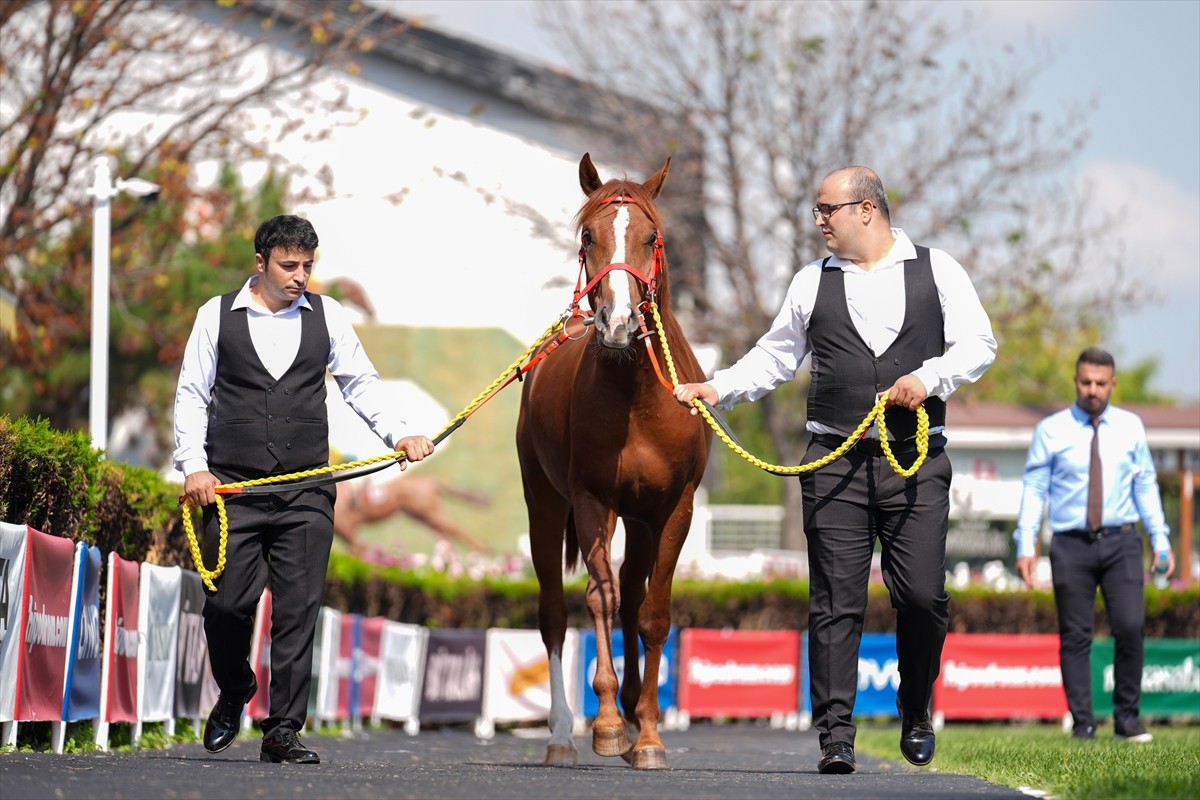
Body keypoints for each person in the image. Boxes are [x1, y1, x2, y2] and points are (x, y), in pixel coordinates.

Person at [673, 166, 996, 774]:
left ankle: (916, 706)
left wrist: (929, 378)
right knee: (835, 602)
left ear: (866, 210)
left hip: (916, 460)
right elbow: (776, 356)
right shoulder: (809, 282)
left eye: (827, 209)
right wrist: (718, 389)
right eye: (817, 210)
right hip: (833, 464)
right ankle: (836, 733)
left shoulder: (938, 269)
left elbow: (980, 342)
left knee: (923, 597)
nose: (818, 220)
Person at [173, 214, 434, 764]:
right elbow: (193, 394)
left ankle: (283, 730)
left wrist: (401, 432)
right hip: (231, 491)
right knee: (225, 608)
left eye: (307, 267)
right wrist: (194, 466)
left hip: (306, 492)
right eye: (288, 266)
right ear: (260, 263)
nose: (299, 277)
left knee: (298, 612)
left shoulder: (328, 316)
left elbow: (361, 382)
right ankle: (236, 688)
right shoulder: (216, 316)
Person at [1013, 347, 1174, 743]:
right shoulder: (1051, 429)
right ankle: (1083, 722)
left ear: (1112, 384)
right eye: (1085, 381)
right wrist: (1025, 543)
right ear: (1076, 381)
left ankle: (1127, 719)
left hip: (1121, 542)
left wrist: (1161, 539)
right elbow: (1035, 487)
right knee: (1075, 635)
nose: (1092, 389)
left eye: (1101, 383)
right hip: (1070, 544)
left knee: (1131, 627)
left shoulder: (1131, 427)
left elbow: (1145, 484)